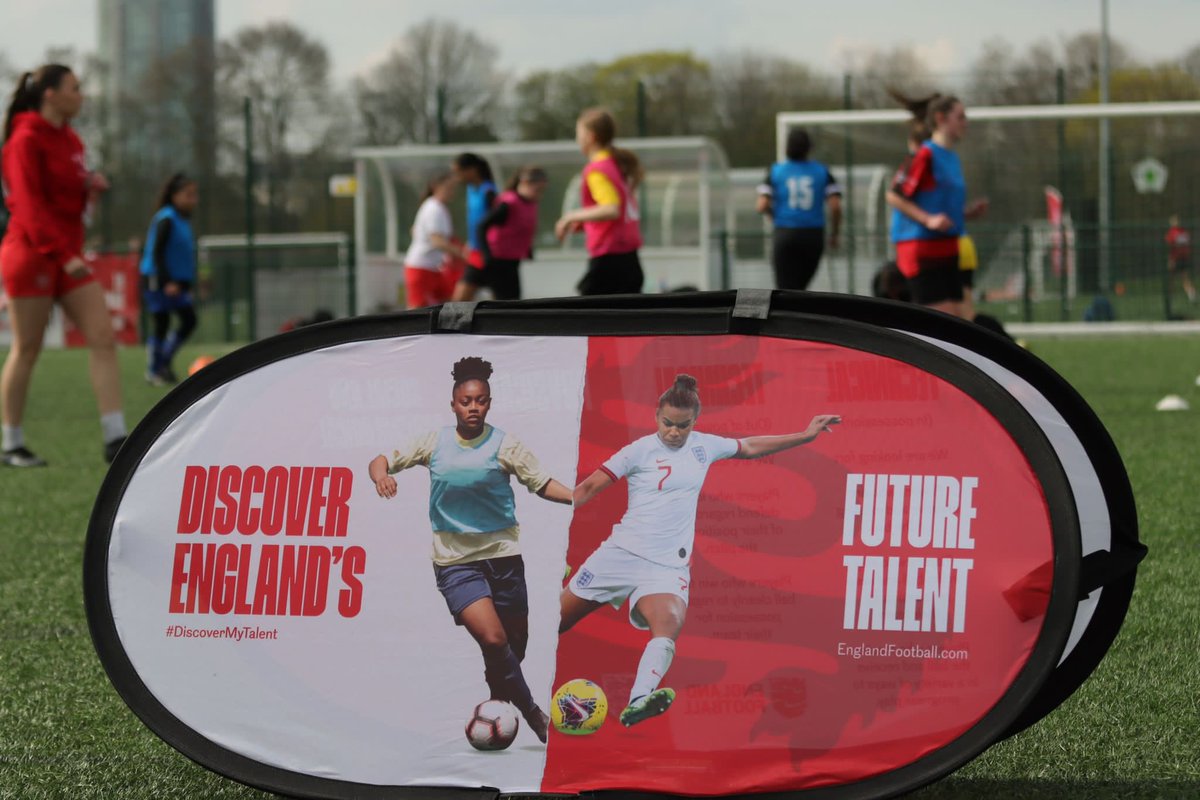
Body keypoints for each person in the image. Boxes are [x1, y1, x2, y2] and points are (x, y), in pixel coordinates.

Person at [560, 374, 840, 727]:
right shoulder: (639, 450)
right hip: (620, 554)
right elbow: (586, 489)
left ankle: (639, 700)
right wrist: (546, 524)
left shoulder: (704, 447)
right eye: (667, 424)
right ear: (655, 416)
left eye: (683, 426)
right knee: (551, 624)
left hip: (667, 566)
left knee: (668, 624)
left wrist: (805, 435)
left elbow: (750, 446)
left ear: (694, 421)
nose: (674, 432)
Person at [368, 356, 573, 743]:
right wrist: (381, 477)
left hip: (505, 559)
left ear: (489, 402)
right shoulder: (434, 442)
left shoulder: (505, 443)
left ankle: (498, 707)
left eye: (480, 401)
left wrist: (578, 498)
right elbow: (381, 460)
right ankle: (533, 716)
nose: (473, 407)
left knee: (514, 648)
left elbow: (542, 483)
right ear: (453, 404)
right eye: (465, 401)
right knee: (493, 640)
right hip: (457, 563)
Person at [1, 64, 126, 467]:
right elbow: (27, 205)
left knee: (103, 336)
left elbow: (70, 205)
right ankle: (12, 443)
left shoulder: (70, 139)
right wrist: (61, 254)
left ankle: (115, 437)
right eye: (75, 88)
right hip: (33, 255)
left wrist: (92, 189)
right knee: (28, 347)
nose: (82, 95)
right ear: (51, 95)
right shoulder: (23, 139)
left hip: (68, 257)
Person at [885, 91, 988, 318]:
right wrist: (927, 219)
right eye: (960, 117)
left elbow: (936, 205)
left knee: (963, 319)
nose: (966, 123)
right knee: (942, 324)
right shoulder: (925, 155)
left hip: (948, 247)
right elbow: (894, 196)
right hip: (922, 248)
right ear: (941, 119)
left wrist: (966, 214)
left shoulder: (951, 157)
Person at [554, 108, 644, 296]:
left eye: (578, 134)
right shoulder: (615, 164)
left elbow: (612, 209)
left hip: (610, 258)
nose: (577, 139)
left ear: (590, 136)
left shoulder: (597, 169)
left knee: (584, 318)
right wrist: (584, 222)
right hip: (628, 258)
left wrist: (570, 216)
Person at [755, 128, 842, 290]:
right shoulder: (823, 172)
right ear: (809, 148)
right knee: (801, 289)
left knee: (785, 289)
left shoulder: (775, 171)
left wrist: (774, 216)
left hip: (785, 233)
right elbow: (835, 207)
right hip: (813, 235)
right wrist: (835, 234)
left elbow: (762, 205)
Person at [453, 166, 549, 301]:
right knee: (461, 299)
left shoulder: (530, 204)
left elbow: (524, 230)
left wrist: (528, 250)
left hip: (510, 262)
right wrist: (487, 256)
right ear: (524, 183)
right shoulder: (508, 203)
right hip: (492, 259)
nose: (540, 194)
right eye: (537, 189)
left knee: (508, 303)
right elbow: (482, 226)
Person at [140, 173, 199, 385]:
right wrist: (167, 281)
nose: (194, 199)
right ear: (174, 196)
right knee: (162, 323)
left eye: (195, 195)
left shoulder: (183, 220)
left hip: (177, 282)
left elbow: (183, 256)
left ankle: (163, 362)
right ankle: (154, 370)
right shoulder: (166, 218)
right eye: (188, 195)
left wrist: (186, 284)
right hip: (159, 280)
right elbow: (157, 252)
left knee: (189, 320)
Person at [403, 173, 469, 309]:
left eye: (453, 188)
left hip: (434, 267)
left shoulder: (438, 207)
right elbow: (437, 241)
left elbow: (414, 230)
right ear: (435, 187)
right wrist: (463, 254)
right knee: (416, 309)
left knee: (449, 302)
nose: (452, 191)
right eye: (448, 187)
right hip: (420, 266)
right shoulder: (433, 208)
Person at [1164, 215, 1196, 304]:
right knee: (1181, 277)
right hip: (1183, 258)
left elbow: (1169, 246)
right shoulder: (1184, 232)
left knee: (1173, 278)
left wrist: (1170, 259)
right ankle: (1191, 295)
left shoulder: (1172, 232)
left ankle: (1170, 297)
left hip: (1177, 259)